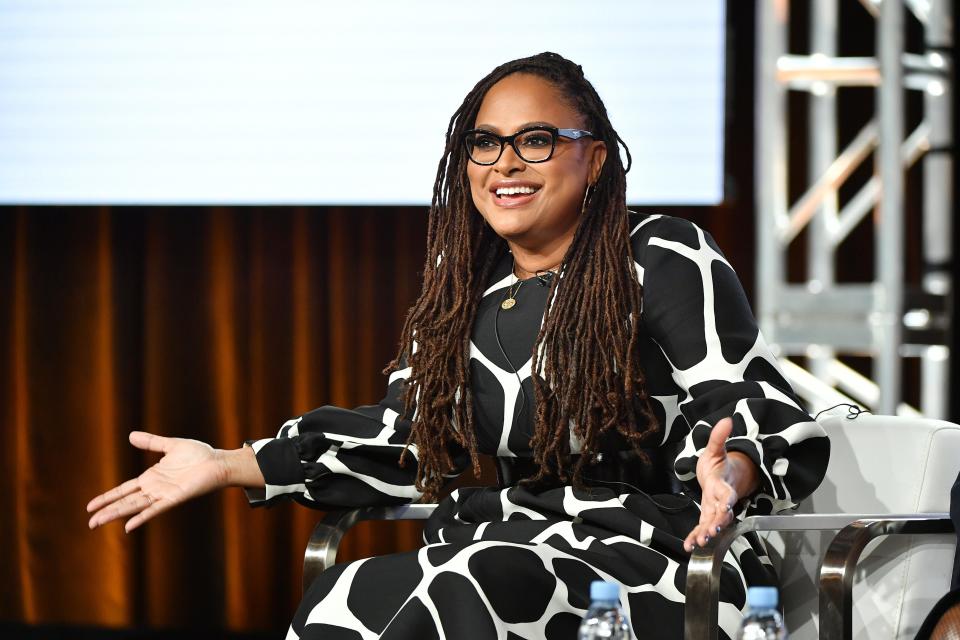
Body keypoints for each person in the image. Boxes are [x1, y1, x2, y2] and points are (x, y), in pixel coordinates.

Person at [87, 52, 830, 639]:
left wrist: (728, 473)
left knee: (454, 585)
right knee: (350, 592)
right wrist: (225, 463)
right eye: (485, 143)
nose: (505, 162)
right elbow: (409, 440)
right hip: (492, 548)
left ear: (596, 158)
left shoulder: (661, 256)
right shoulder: (459, 291)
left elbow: (743, 398)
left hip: (653, 563)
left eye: (536, 140)